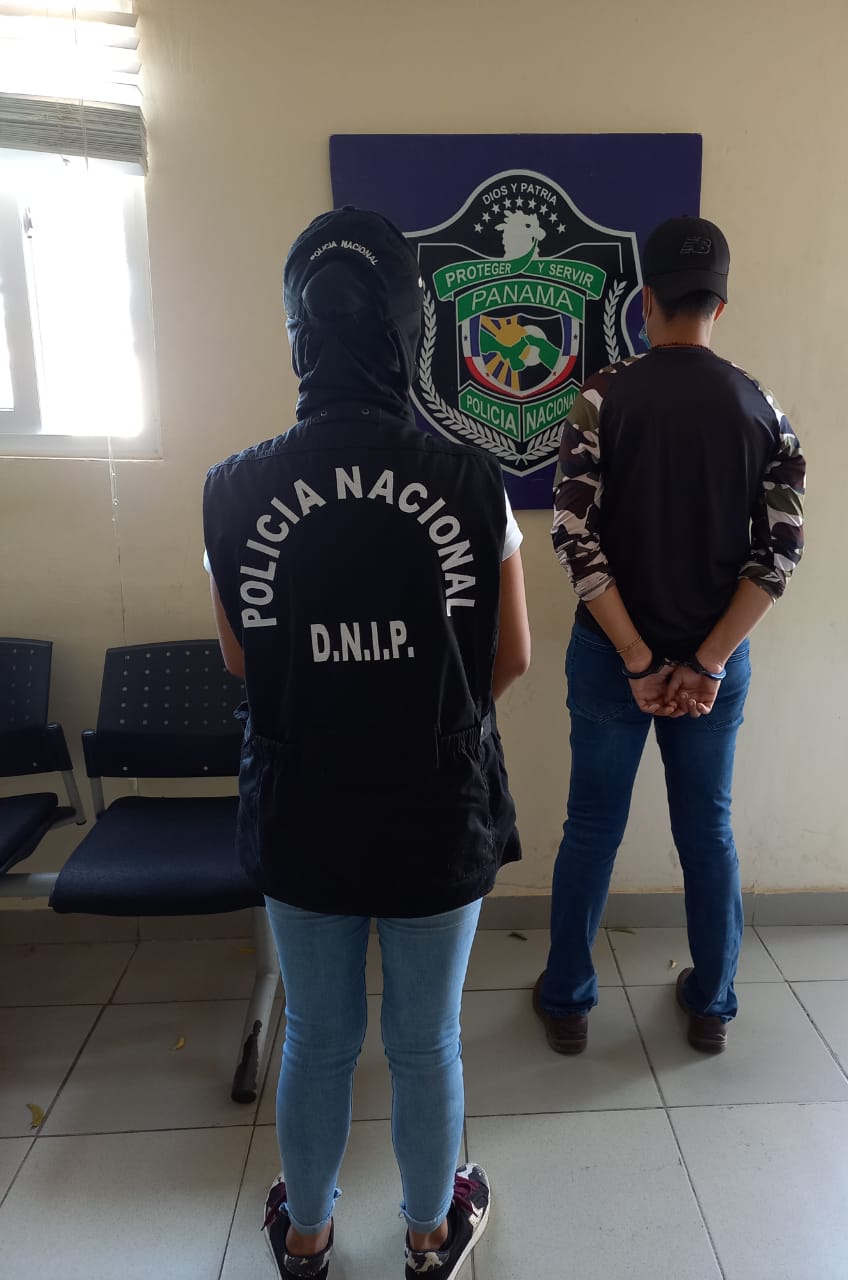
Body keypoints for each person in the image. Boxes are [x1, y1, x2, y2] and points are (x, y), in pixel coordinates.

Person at [203, 208, 530, 1280]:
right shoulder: (472, 481)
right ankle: (431, 1236)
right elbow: (512, 655)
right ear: (407, 329)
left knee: (319, 1036)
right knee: (425, 1041)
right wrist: (420, 707)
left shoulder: (233, 488)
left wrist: (337, 694)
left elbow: (247, 660)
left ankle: (305, 1236)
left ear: (298, 333)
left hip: (306, 810)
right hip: (434, 804)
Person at [535, 215, 805, 1057]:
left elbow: (572, 536)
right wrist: (708, 662)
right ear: (720, 304)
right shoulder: (762, 407)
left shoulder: (601, 398)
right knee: (708, 831)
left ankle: (569, 1001)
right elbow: (781, 554)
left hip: (612, 657)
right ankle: (712, 1004)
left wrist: (638, 659)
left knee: (591, 829)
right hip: (712, 666)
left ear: (645, 299)